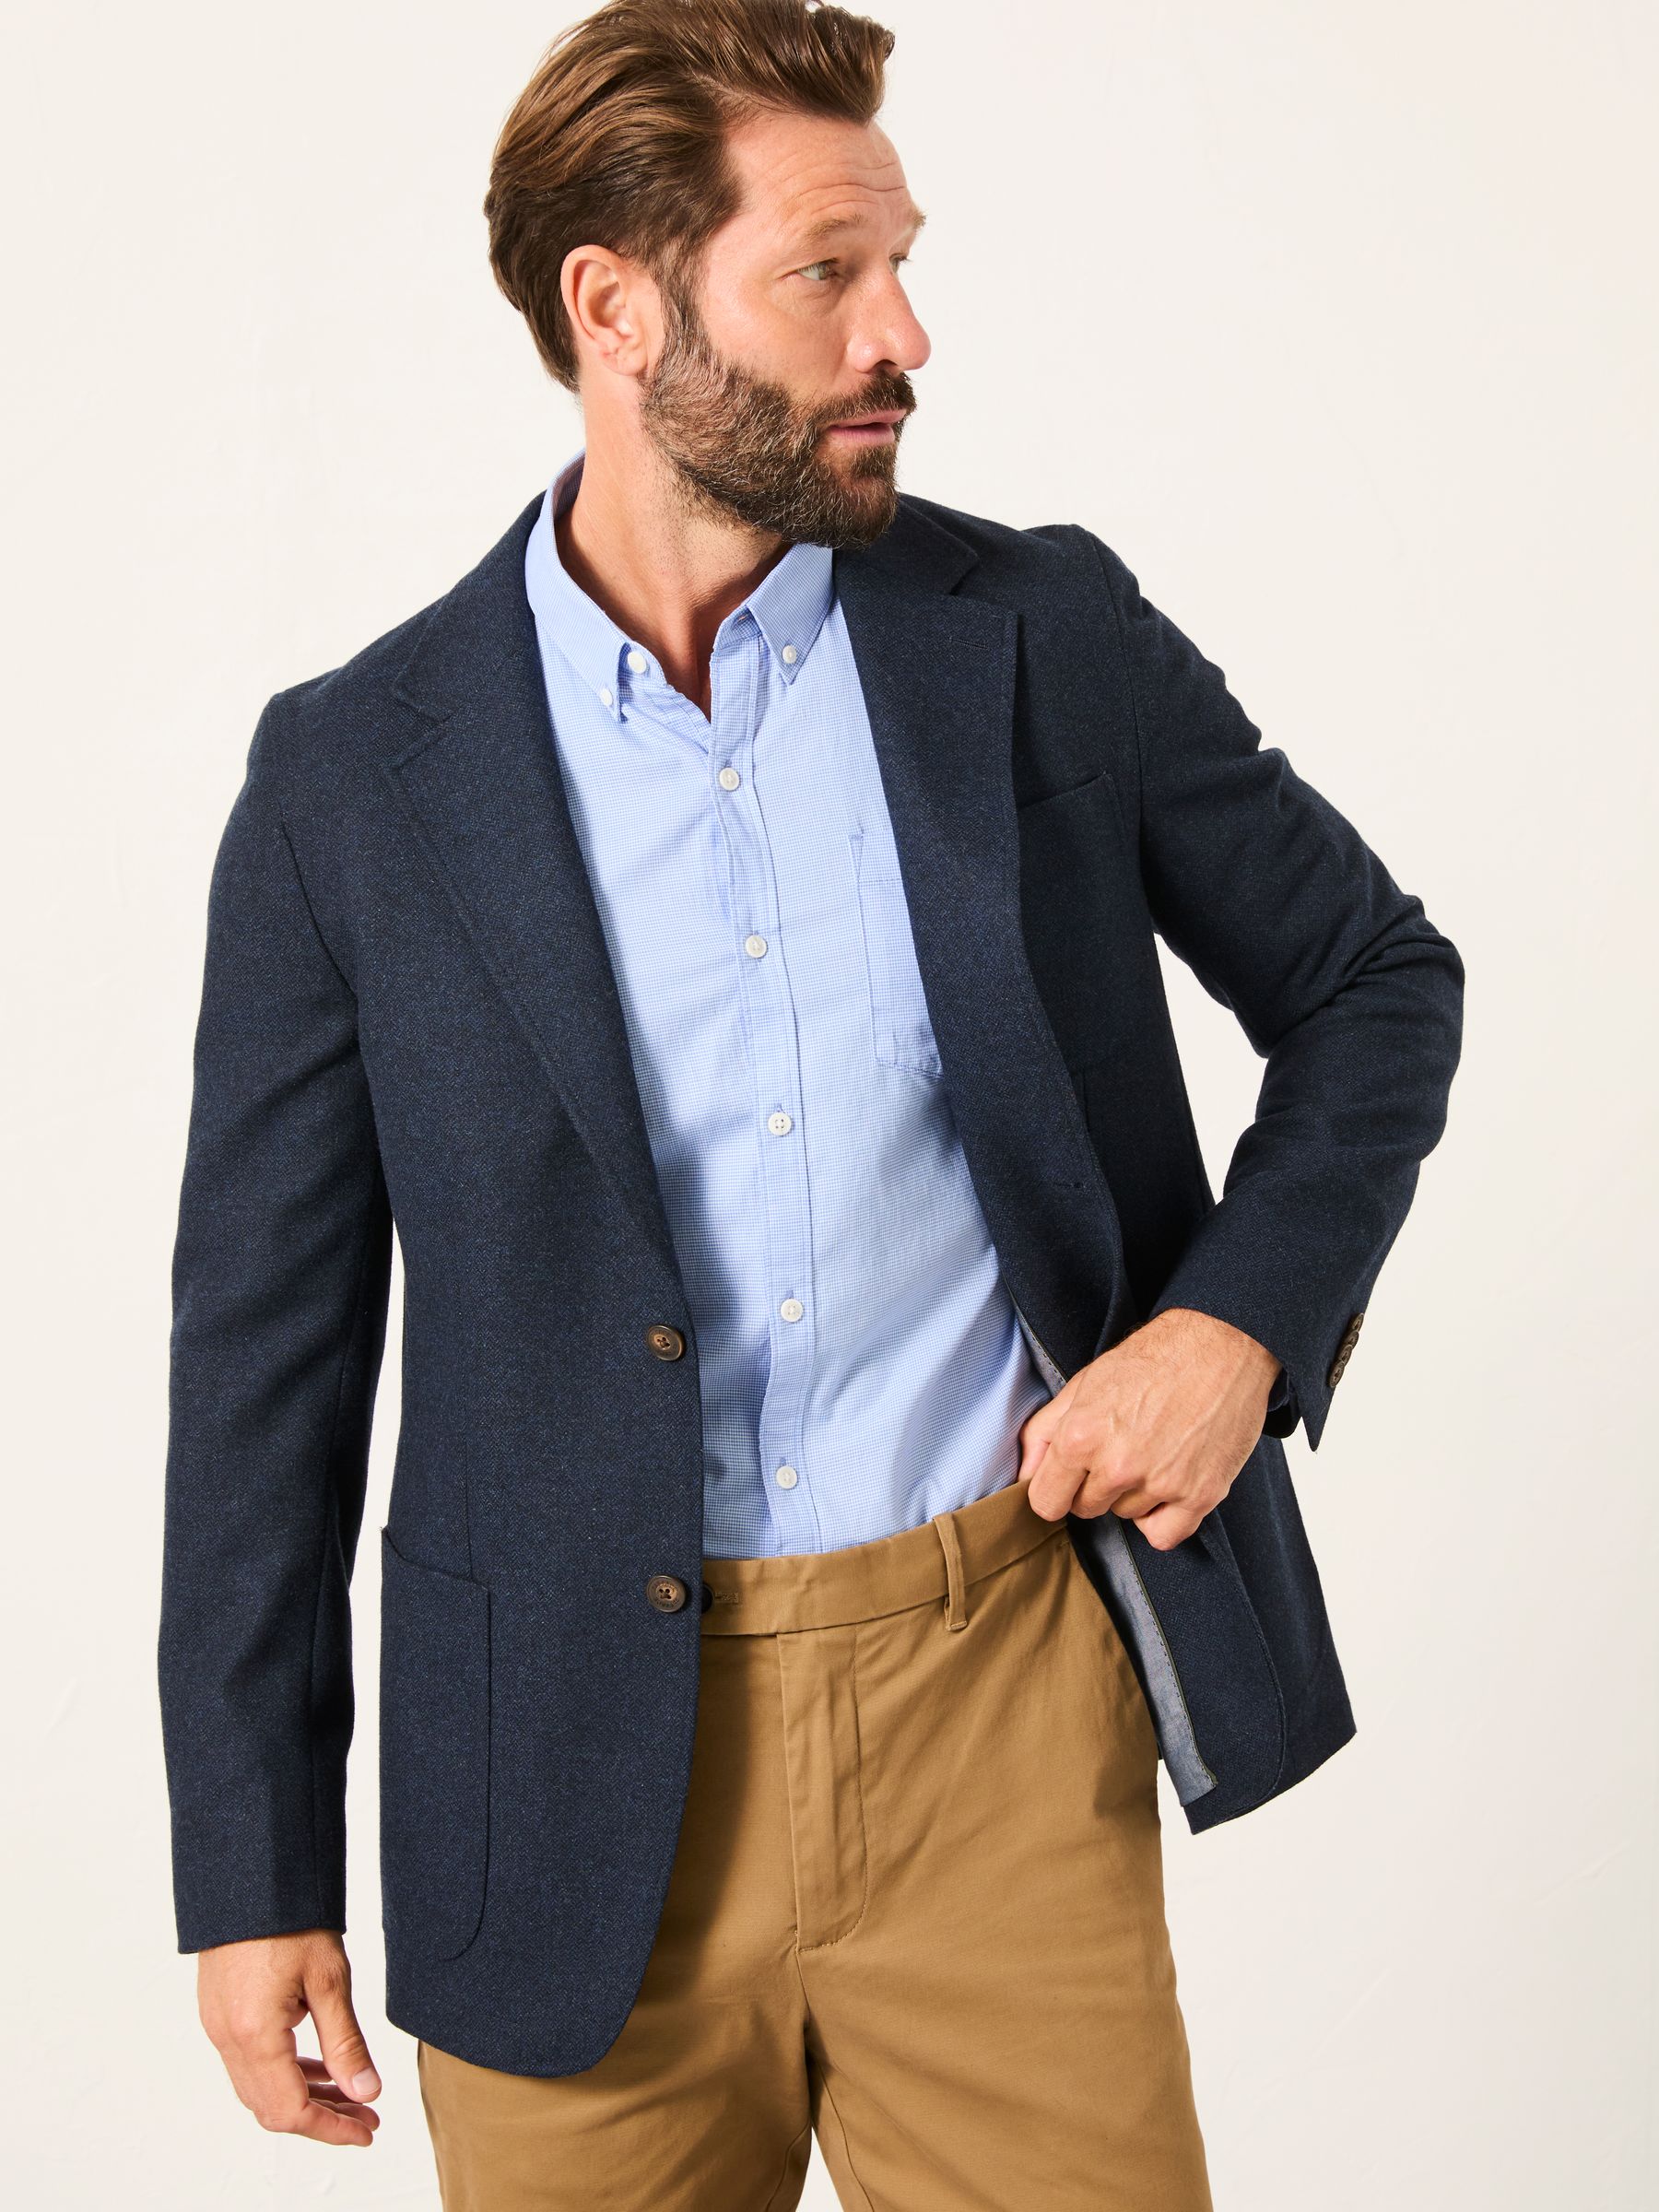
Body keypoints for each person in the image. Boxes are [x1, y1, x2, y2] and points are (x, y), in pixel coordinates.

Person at [157, 3, 1465, 2204]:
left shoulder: (1039, 632)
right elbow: (261, 1366)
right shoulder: (354, 782)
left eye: (902, 262)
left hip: (999, 1710)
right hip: (558, 1786)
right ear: (616, 309)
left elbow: (1372, 980)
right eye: (825, 273)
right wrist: (248, 1861)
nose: (902, 335)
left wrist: (1233, 1330)